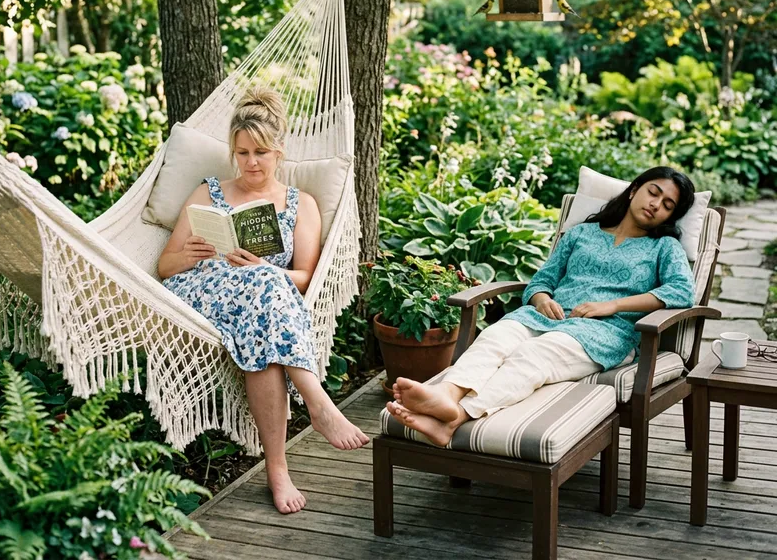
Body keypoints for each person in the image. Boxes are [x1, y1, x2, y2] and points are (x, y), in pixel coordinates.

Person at [158, 87, 368, 514]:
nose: (251, 162)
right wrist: (190, 254)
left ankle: (277, 469)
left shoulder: (301, 204)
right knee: (266, 288)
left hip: (262, 308)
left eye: (260, 152)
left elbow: (306, 278)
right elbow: (165, 266)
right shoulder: (207, 193)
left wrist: (264, 268)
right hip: (203, 292)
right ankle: (318, 403)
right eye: (242, 152)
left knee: (266, 311)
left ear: (279, 152)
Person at [387, 166, 697, 447]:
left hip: (603, 333)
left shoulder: (664, 248)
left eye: (667, 205)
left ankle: (457, 416)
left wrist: (612, 305)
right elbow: (540, 282)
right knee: (496, 337)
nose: (656, 204)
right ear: (634, 190)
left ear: (669, 217)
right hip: (546, 317)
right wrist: (542, 299)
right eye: (653, 192)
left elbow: (681, 291)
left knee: (534, 353)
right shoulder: (581, 233)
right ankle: (447, 394)